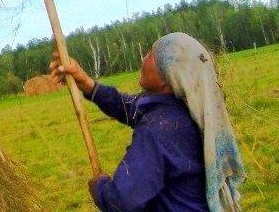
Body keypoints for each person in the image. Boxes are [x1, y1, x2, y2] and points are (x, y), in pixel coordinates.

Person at [50, 33, 246, 212]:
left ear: (167, 75)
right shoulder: (183, 110)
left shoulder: (159, 130)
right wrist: (88, 84)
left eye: (151, 54)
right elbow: (132, 108)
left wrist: (100, 188)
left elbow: (122, 201)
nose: (143, 58)